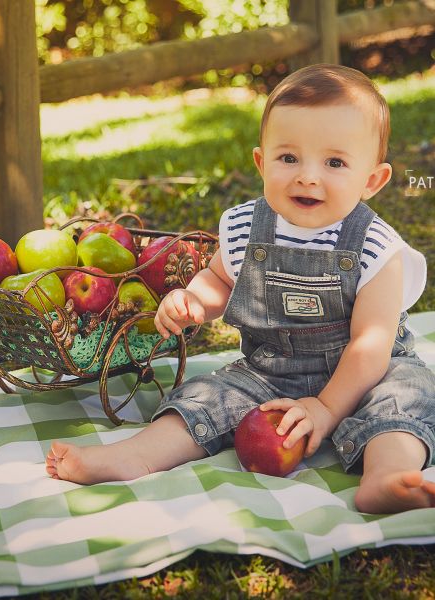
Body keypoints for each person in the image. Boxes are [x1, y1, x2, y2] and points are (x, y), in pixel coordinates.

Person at [46, 64, 435, 514]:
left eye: (334, 162)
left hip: (368, 373)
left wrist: (326, 408)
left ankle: (386, 476)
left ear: (372, 180)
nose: (307, 176)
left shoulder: (376, 247)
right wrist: (194, 300)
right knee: (205, 396)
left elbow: (372, 346)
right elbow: (219, 278)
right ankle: (133, 456)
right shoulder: (246, 227)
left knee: (407, 395)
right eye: (288, 158)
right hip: (271, 370)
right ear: (261, 161)